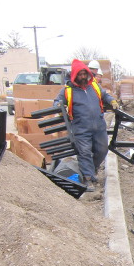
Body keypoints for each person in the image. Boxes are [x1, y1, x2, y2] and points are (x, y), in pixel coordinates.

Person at [54, 59, 119, 192]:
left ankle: (91, 169)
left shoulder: (94, 87)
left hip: (99, 126)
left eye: (85, 74)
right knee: (84, 153)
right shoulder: (67, 90)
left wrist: (112, 101)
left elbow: (104, 96)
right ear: (74, 75)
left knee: (102, 150)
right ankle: (88, 179)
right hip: (81, 128)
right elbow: (56, 102)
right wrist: (61, 107)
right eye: (80, 74)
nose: (83, 77)